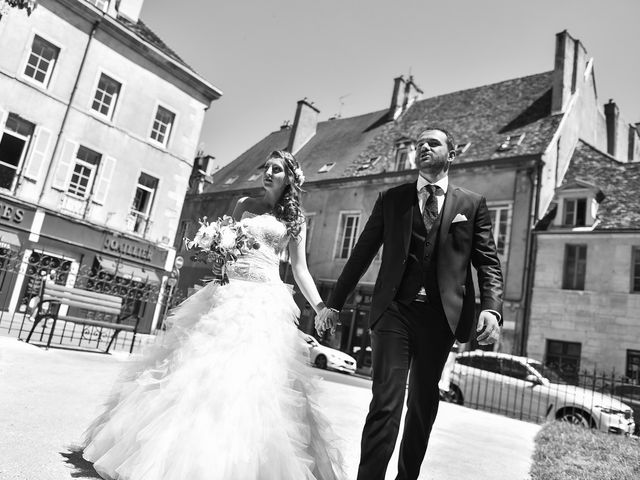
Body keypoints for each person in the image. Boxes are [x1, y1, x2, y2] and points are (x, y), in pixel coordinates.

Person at [82, 150, 345, 480]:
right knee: (197, 367)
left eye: (277, 169)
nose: (269, 172)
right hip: (228, 290)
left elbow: (300, 269)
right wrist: (218, 256)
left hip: (264, 300)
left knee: (254, 379)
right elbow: (228, 244)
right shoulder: (243, 204)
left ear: (290, 177)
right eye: (267, 167)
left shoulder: (294, 221)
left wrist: (320, 305)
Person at [317, 127, 504, 480]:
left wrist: (491, 308)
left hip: (440, 317)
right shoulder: (392, 199)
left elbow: (488, 261)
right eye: (419, 144)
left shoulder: (471, 204)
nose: (423, 147)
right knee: (386, 403)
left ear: (452, 154)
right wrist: (334, 304)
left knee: (421, 404)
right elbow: (361, 254)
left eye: (433, 143)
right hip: (394, 312)